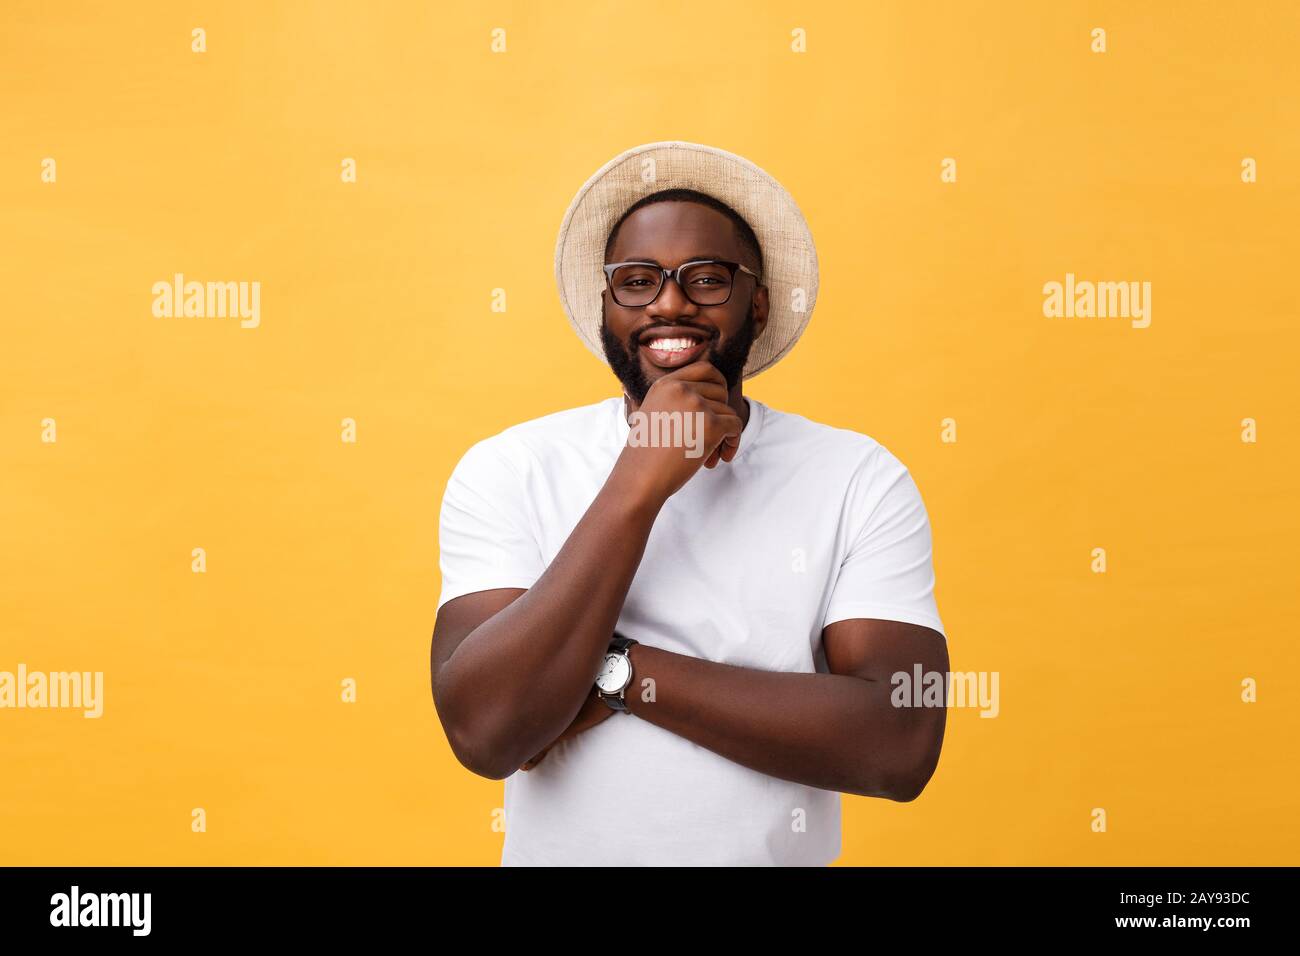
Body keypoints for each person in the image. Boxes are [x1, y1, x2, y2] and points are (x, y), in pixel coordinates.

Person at [431, 141, 949, 866]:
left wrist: (609, 671)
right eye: (637, 280)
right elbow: (487, 732)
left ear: (758, 302)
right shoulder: (510, 468)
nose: (670, 302)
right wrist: (639, 482)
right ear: (606, 303)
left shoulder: (858, 476)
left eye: (706, 278)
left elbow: (898, 741)